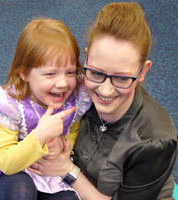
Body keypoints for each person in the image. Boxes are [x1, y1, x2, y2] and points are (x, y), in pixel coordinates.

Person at [27, 2, 177, 200]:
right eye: (97, 73)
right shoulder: (75, 89)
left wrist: (67, 170)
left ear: (143, 71)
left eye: (122, 78)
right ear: (87, 58)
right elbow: (28, 95)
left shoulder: (154, 140)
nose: (105, 90)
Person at [0, 17, 91, 200]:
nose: (62, 83)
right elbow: (6, 163)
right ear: (24, 73)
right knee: (21, 191)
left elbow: (73, 130)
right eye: (50, 74)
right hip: (11, 169)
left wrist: (64, 144)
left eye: (70, 72)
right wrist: (40, 136)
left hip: (47, 171)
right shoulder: (11, 105)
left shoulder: (74, 100)